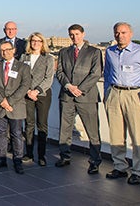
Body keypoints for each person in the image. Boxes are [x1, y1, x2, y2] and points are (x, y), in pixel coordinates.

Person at [104, 22, 140, 185]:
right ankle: (120, 167)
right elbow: (107, 73)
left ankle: (137, 171)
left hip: (135, 94)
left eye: (123, 32)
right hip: (115, 93)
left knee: (137, 135)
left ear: (131, 34)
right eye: (117, 33)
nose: (120, 35)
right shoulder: (110, 51)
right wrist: (107, 94)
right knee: (116, 134)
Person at [55, 24, 103, 174]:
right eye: (71, 34)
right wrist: (69, 86)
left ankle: (94, 161)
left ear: (83, 34)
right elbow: (60, 72)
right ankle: (65, 156)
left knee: (92, 131)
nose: (74, 37)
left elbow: (95, 73)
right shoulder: (64, 52)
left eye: (77, 34)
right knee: (65, 129)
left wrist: (80, 89)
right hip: (67, 95)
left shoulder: (94, 52)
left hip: (86, 96)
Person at [0, 41, 31, 174]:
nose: (4, 52)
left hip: (15, 107)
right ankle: (1, 158)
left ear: (13, 50)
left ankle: (17, 160)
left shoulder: (23, 67)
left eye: (7, 49)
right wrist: (2, 101)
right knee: (0, 133)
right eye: (2, 50)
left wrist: (9, 101)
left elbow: (24, 86)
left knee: (16, 134)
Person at [19, 32, 55, 166]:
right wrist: (28, 90)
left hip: (42, 95)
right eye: (33, 40)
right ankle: (28, 153)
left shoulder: (49, 58)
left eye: (39, 41)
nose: (36, 43)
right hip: (27, 94)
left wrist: (36, 91)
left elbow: (49, 78)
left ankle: (41, 155)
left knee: (42, 125)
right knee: (28, 124)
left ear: (43, 43)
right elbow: (21, 76)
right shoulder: (24, 57)